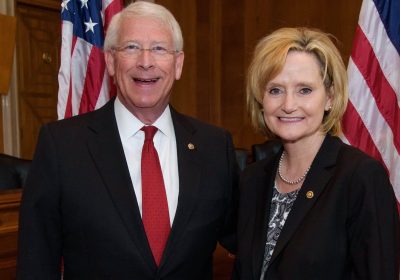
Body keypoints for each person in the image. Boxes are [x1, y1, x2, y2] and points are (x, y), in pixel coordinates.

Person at [17, 1, 238, 279]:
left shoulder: (215, 147)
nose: (146, 62)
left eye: (159, 48)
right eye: (131, 47)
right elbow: (36, 263)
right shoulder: (62, 146)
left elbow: (247, 243)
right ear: (110, 61)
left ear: (178, 63)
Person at [233, 27, 400, 280]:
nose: (288, 105)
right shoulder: (252, 179)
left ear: (330, 98)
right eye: (275, 90)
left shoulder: (360, 177)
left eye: (305, 90)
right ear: (261, 99)